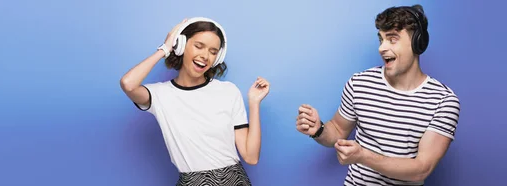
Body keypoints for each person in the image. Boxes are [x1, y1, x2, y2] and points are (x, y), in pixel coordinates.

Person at [295, 5, 460, 185]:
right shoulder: (359, 83)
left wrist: (363, 156)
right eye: (381, 39)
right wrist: (319, 129)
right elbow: (338, 130)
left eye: (392, 39)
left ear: (417, 43)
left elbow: (421, 169)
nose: (382, 48)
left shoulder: (443, 101)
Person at [119, 17, 270, 186]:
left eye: (213, 52)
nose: (205, 56)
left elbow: (251, 156)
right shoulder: (160, 94)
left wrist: (254, 103)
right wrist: (165, 48)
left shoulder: (228, 91)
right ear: (182, 45)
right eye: (199, 46)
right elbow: (128, 84)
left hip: (234, 181)